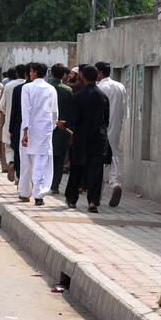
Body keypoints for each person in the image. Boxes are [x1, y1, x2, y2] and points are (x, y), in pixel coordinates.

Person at [64, 64, 111, 212]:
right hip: (98, 139)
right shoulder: (103, 97)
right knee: (96, 171)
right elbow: (106, 120)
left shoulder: (78, 96)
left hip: (81, 139)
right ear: (97, 77)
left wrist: (68, 129)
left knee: (77, 169)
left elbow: (73, 120)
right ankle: (92, 202)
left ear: (82, 76)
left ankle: (72, 200)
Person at [19, 62, 58, 206]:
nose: (30, 73)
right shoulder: (51, 89)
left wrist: (25, 131)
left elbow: (26, 110)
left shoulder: (27, 88)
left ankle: (25, 192)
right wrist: (52, 126)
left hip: (30, 129)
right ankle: (39, 193)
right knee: (42, 162)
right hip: (45, 129)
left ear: (34, 72)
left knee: (27, 162)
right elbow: (55, 112)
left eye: (30, 71)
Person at [95, 62, 127, 207]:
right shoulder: (120, 86)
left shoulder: (99, 88)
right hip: (116, 126)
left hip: (101, 126)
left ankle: (97, 193)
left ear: (100, 73)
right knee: (114, 154)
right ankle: (115, 184)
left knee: (99, 158)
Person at [48, 63, 74, 194]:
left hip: (46, 127)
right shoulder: (68, 90)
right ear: (64, 75)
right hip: (62, 128)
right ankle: (55, 185)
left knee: (45, 157)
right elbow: (71, 112)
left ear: (51, 74)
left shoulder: (47, 88)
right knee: (59, 158)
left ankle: (44, 182)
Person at [0, 66, 26, 181]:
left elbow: (2, 105)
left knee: (9, 147)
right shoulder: (28, 86)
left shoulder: (9, 85)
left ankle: (11, 163)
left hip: (9, 121)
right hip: (24, 124)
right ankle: (18, 178)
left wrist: (7, 113)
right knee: (21, 151)